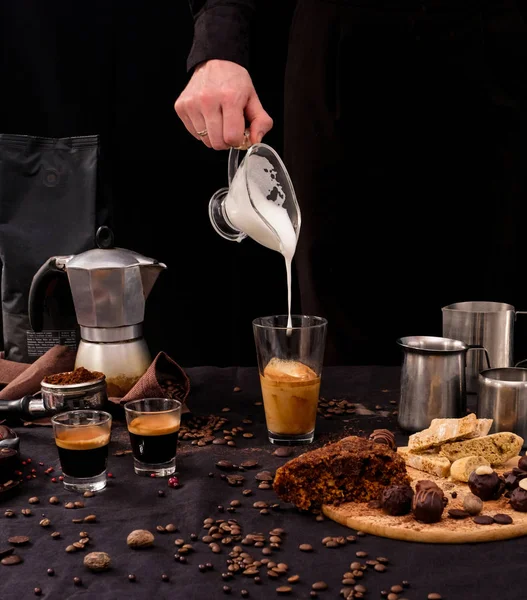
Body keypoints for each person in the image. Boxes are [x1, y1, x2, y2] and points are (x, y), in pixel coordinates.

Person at [176, 0, 527, 366]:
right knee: (345, 362)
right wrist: (220, 41)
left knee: (487, 352)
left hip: (490, 67)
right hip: (344, 61)